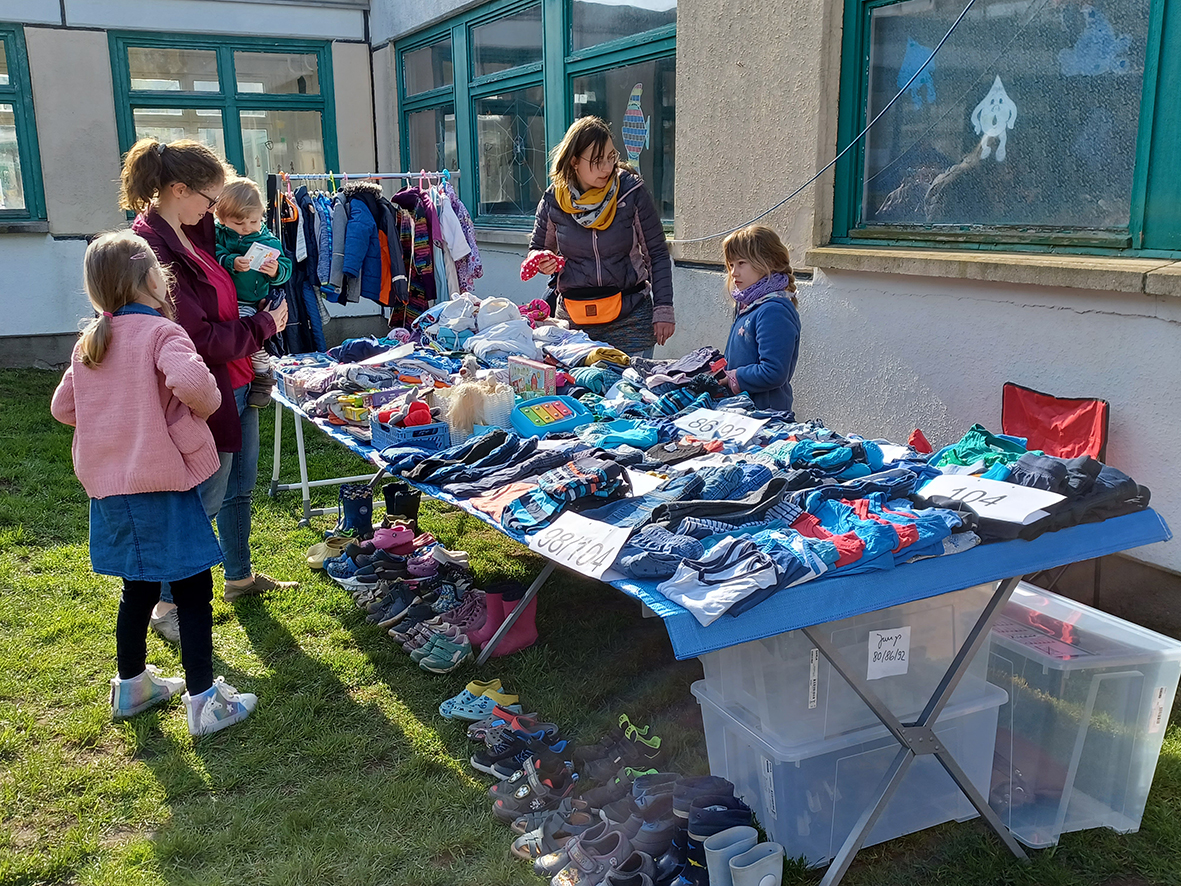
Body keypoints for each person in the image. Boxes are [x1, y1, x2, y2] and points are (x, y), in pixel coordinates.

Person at [50, 231, 257, 736]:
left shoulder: (90, 343)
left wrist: (114, 421)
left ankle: (132, 685)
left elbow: (63, 408)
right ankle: (205, 700)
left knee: (137, 586)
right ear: (150, 279)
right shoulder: (164, 334)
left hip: (110, 488)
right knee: (192, 588)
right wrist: (192, 414)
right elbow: (198, 388)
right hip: (162, 484)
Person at [120, 137, 297, 644]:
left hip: (236, 378)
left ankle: (238, 576)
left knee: (241, 485)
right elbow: (194, 338)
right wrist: (262, 326)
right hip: (207, 388)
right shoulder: (154, 247)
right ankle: (169, 603)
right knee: (205, 495)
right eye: (208, 198)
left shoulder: (190, 227)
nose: (214, 210)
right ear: (179, 190)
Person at [527, 116, 674, 357]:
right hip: (574, 326)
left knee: (631, 393)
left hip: (631, 321)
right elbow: (537, 249)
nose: (607, 168)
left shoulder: (631, 192)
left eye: (610, 157)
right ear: (574, 161)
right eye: (597, 161)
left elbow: (656, 253)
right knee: (580, 393)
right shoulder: (554, 200)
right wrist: (543, 261)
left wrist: (664, 308)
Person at [213, 176, 292, 408]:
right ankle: (256, 371)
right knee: (238, 335)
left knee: (253, 338)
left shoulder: (267, 239)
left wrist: (276, 270)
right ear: (222, 218)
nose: (247, 228)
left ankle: (262, 375)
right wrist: (230, 261)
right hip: (227, 299)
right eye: (239, 224)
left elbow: (287, 269)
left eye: (253, 222)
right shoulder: (219, 236)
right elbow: (213, 254)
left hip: (254, 300)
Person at [721, 224, 801, 416]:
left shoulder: (773, 310)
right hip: (744, 410)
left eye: (741, 263)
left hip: (765, 415)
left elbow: (773, 371)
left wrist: (734, 377)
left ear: (767, 262)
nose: (734, 272)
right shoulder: (749, 305)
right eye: (731, 265)